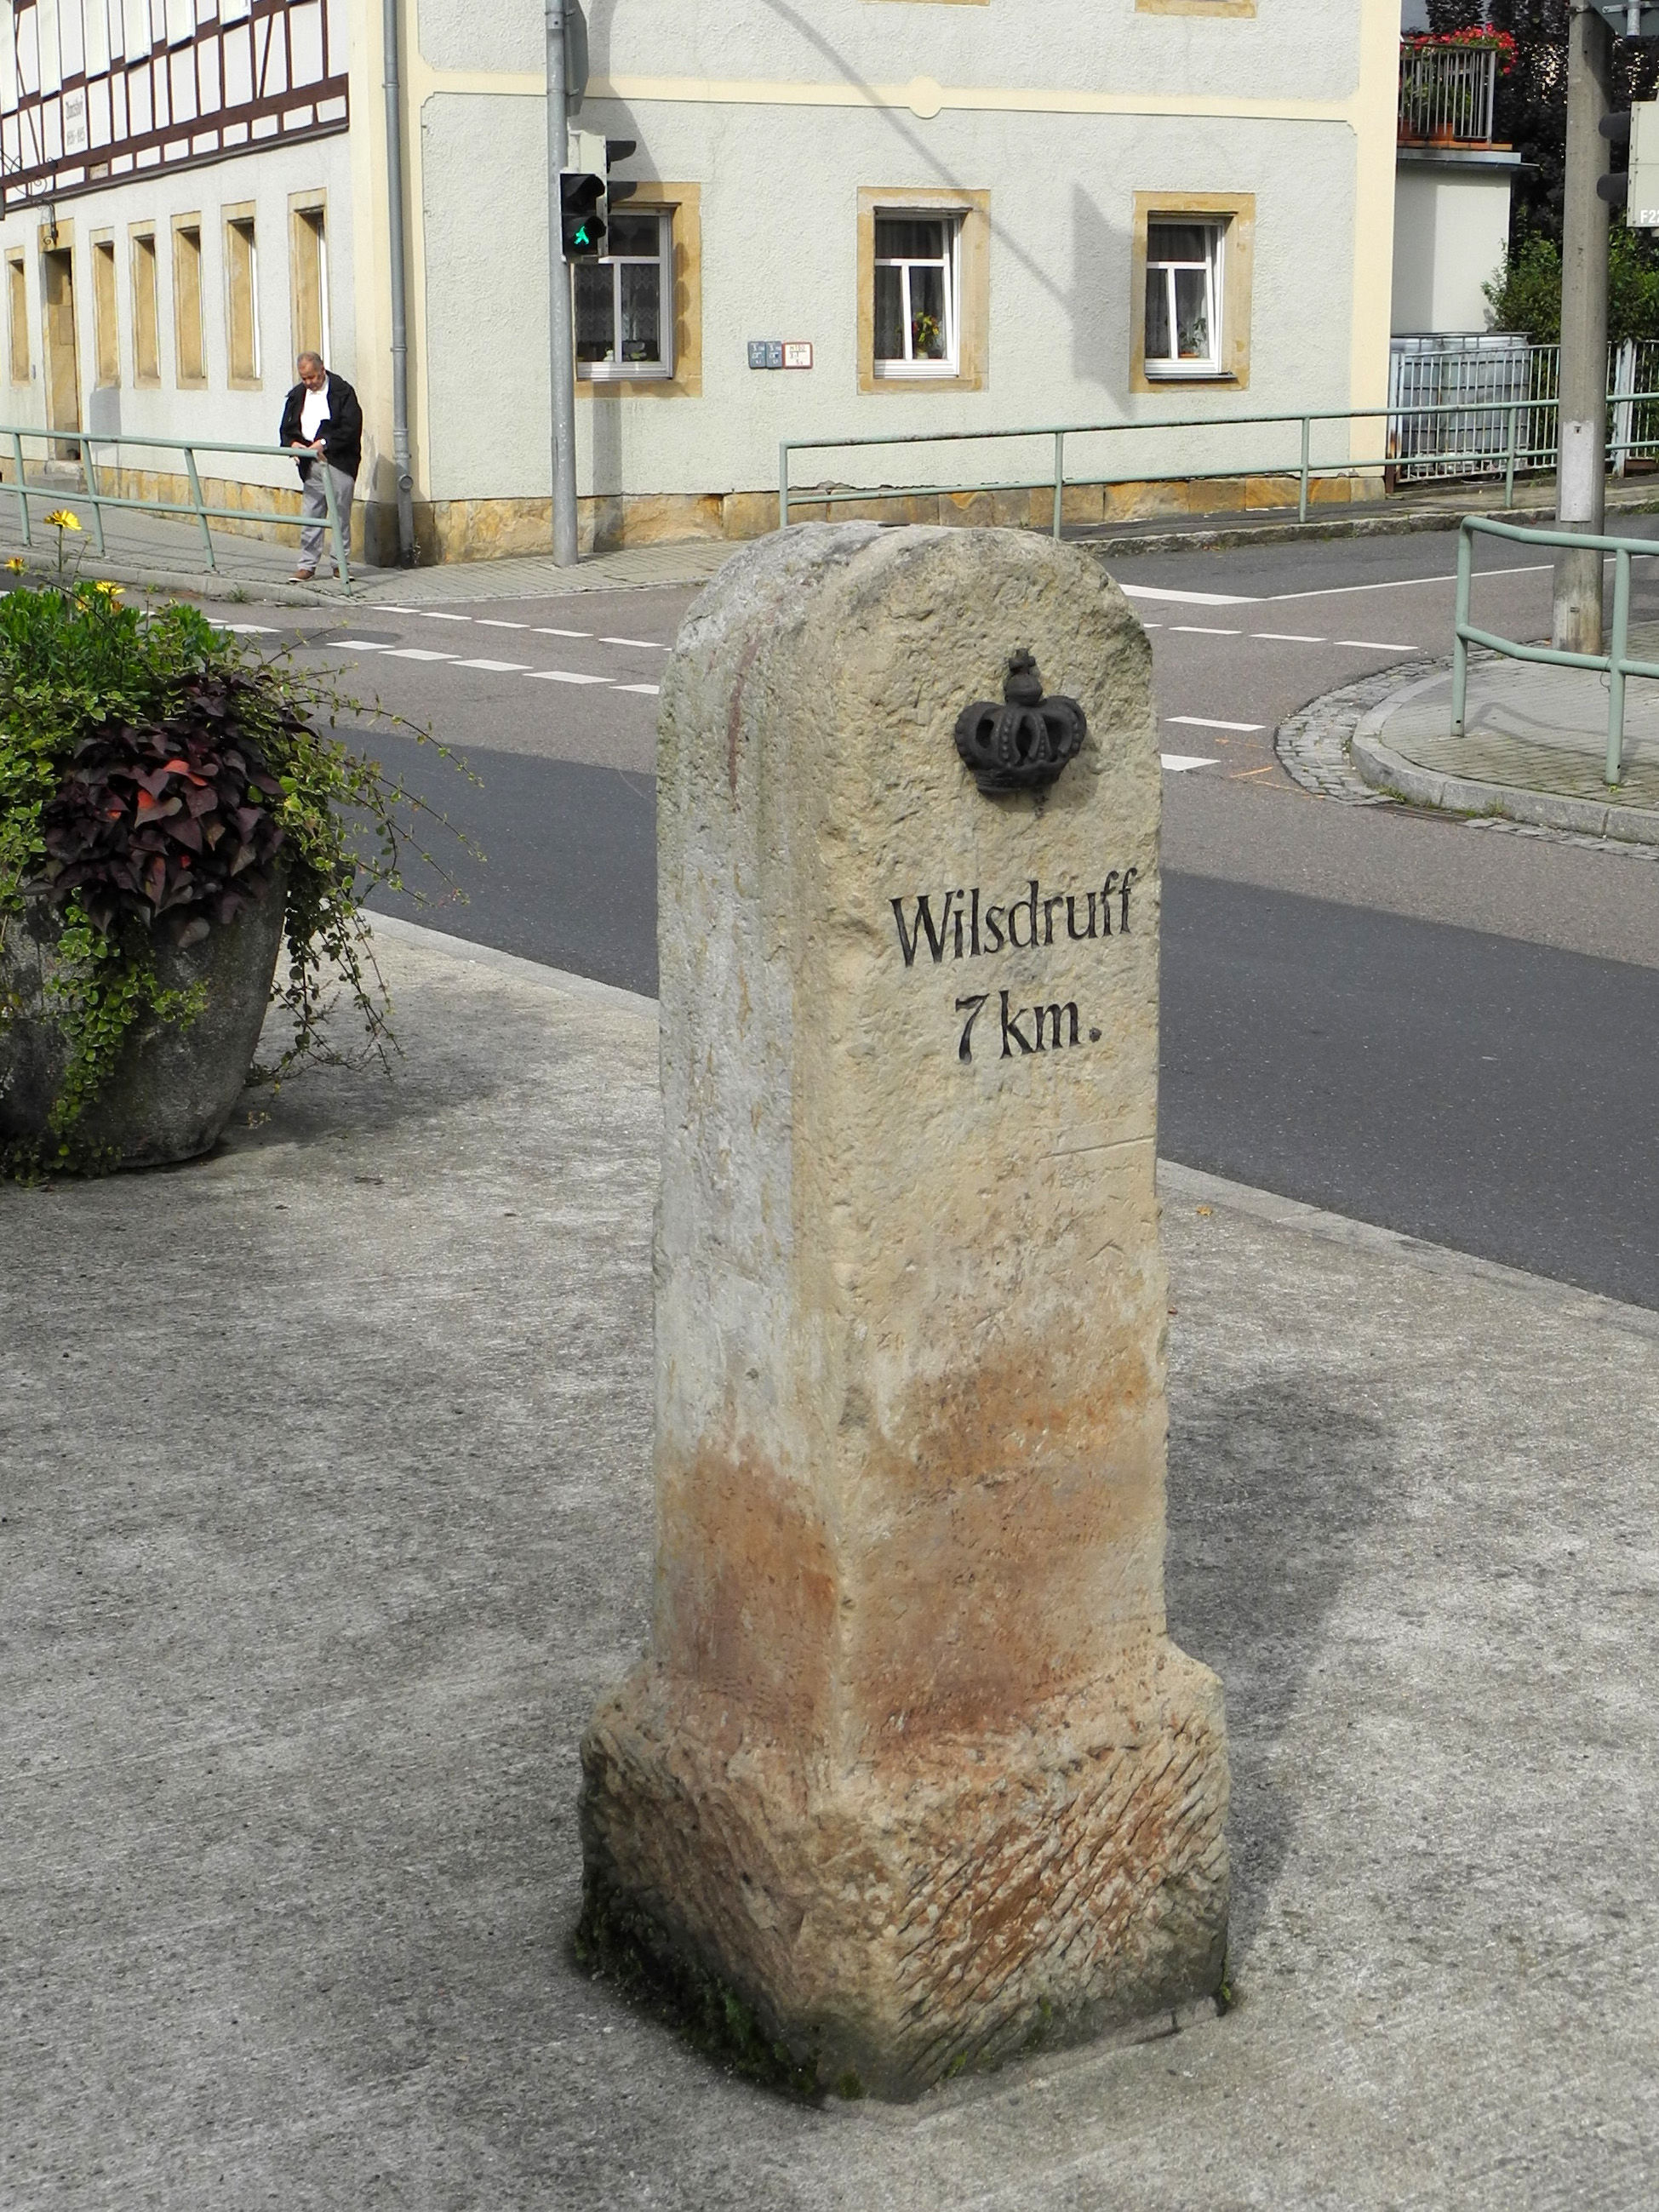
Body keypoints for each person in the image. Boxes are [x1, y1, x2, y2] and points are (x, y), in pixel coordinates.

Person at [279, 352, 362, 581]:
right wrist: (293, 444)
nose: (308, 383)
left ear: (322, 370)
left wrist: (323, 443)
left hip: (337, 461)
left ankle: (340, 565)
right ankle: (307, 565)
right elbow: (286, 427)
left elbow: (350, 427)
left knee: (340, 514)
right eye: (304, 378)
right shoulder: (297, 394)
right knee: (311, 514)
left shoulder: (342, 392)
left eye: (312, 378)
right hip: (309, 462)